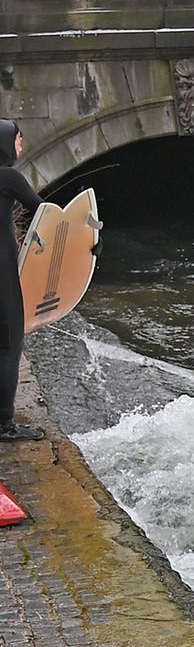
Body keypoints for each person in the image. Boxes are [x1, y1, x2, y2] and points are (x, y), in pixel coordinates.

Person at [0, 121, 45, 442]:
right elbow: (47, 216)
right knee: (8, 345)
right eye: (18, 140)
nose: (20, 147)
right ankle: (5, 425)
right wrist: (90, 239)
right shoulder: (9, 178)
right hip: (1, 274)